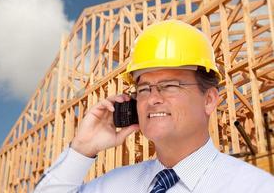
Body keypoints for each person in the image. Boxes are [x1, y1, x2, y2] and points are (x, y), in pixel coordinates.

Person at [34, 20, 274, 193]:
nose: (152, 98)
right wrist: (82, 148)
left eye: (169, 85)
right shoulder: (113, 186)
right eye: (144, 88)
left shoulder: (256, 187)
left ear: (209, 99)